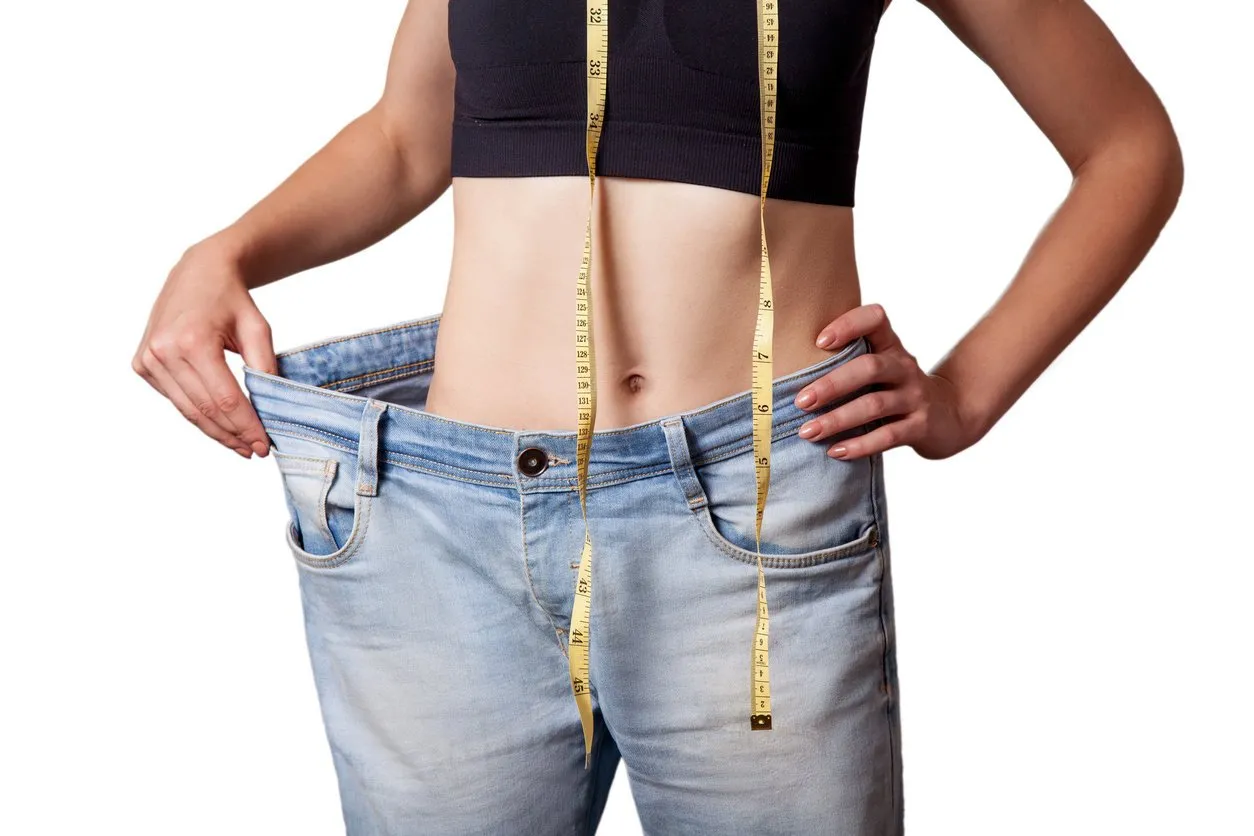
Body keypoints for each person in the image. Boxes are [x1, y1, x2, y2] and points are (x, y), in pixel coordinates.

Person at [131, 0, 1183, 833]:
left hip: (752, 517)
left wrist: (967, 392)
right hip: (446, 529)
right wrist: (225, 251)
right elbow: (411, 134)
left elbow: (1128, 145)